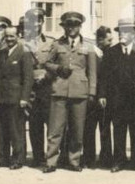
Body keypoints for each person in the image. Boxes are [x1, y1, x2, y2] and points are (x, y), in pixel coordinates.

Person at [42, 12, 98, 173]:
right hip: (59, 89)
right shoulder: (57, 44)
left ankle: (74, 160)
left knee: (77, 129)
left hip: (80, 91)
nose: (71, 28)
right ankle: (51, 161)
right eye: (68, 25)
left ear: (80, 26)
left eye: (75, 25)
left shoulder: (88, 46)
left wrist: (92, 92)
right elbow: (47, 63)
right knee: (55, 129)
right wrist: (58, 68)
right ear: (64, 27)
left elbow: (92, 71)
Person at [100, 19, 135, 172]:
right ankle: (119, 161)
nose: (121, 35)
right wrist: (102, 95)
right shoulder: (111, 53)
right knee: (118, 130)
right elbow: (103, 76)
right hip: (117, 99)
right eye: (120, 32)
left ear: (134, 34)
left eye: (126, 32)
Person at [0, 26, 34, 169]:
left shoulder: (24, 52)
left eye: (12, 36)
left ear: (18, 36)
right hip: (2, 97)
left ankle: (18, 159)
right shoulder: (1, 52)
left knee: (16, 130)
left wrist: (24, 98)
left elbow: (28, 78)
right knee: (1, 130)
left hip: (16, 97)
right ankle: (2, 158)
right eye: (7, 36)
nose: (9, 39)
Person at [19, 11, 53, 167]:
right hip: (31, 88)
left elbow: (56, 62)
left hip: (48, 87)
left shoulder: (51, 42)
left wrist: (46, 74)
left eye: (38, 21)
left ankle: (52, 156)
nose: (35, 24)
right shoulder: (21, 43)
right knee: (34, 124)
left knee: (52, 124)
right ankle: (38, 157)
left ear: (42, 22)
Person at [83, 25, 115, 168]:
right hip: (91, 97)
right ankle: (89, 158)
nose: (111, 43)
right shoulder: (90, 53)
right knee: (89, 129)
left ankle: (106, 158)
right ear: (100, 40)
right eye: (109, 40)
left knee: (105, 128)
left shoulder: (110, 54)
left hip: (105, 97)